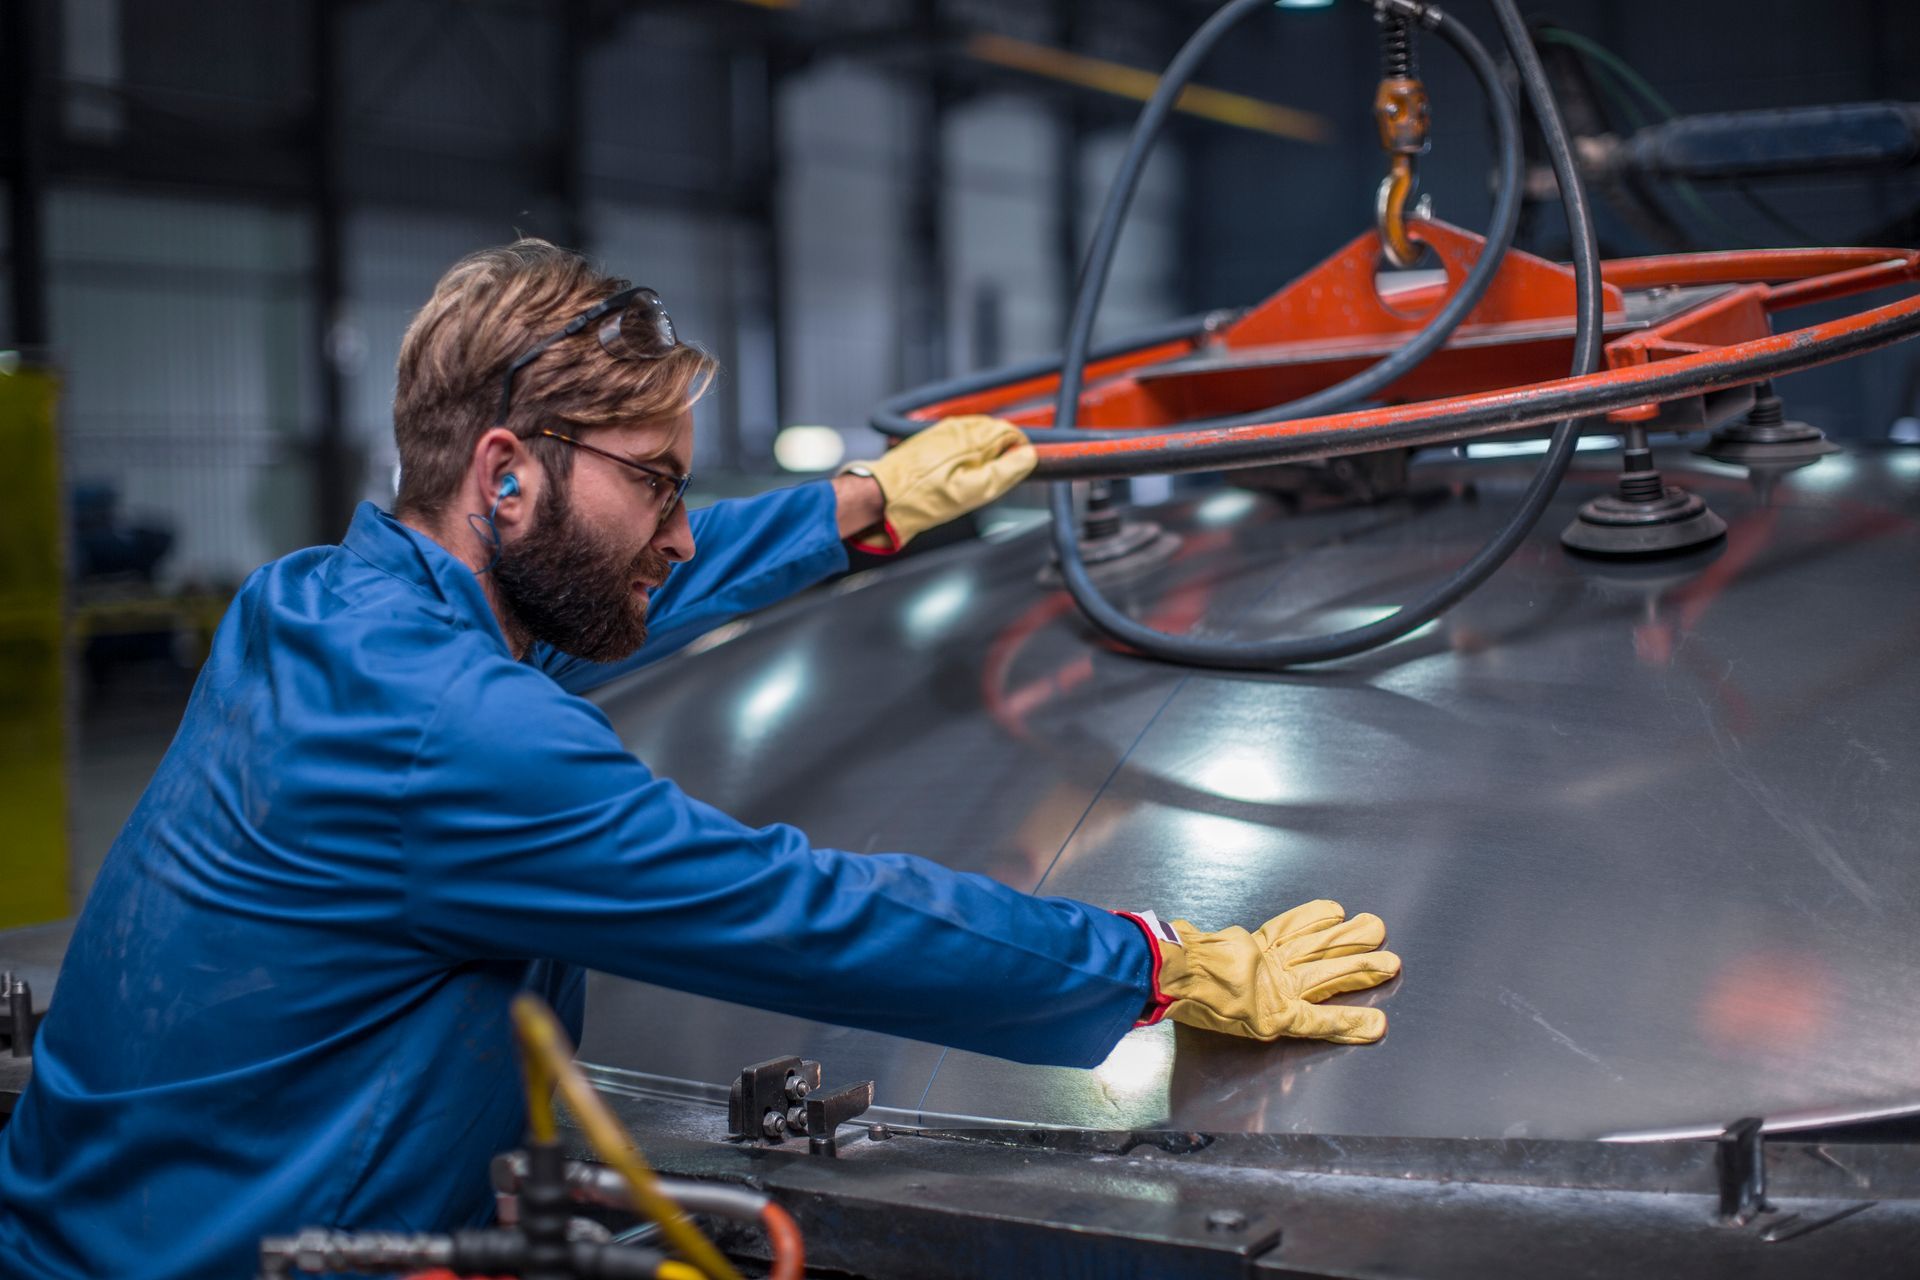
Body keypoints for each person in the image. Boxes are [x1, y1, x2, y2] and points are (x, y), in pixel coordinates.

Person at [0, 240, 1399, 1279]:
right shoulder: (463, 739)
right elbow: (801, 916)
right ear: (505, 474)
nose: (681, 529)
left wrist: (858, 510)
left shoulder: (318, 609)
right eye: (657, 480)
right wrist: (1153, 966)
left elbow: (596, 591)